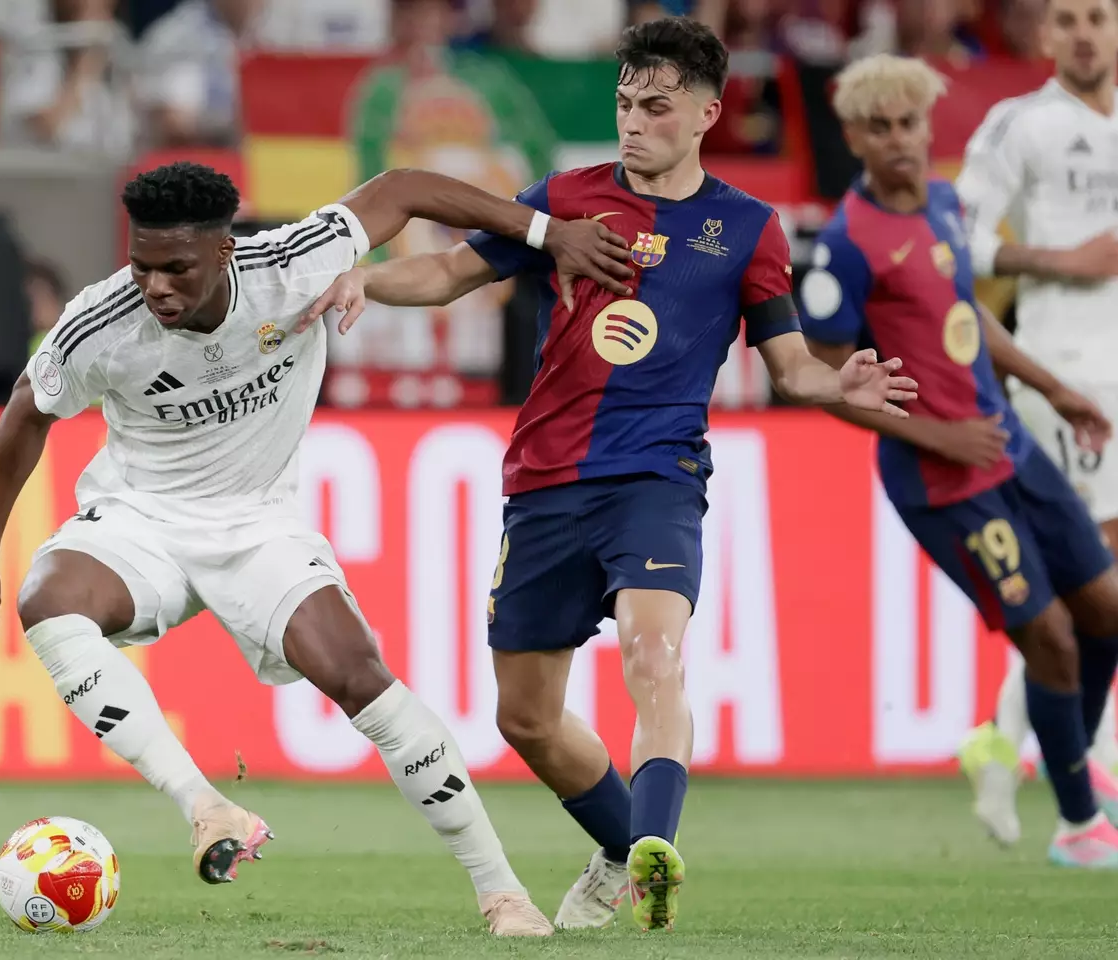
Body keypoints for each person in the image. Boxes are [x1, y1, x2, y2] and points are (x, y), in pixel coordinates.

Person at [297, 17, 918, 931]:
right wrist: (362, 278)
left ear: (707, 114)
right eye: (625, 103)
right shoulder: (564, 203)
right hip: (544, 482)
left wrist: (840, 382)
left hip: (657, 478)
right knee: (526, 718)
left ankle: (657, 845)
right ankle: (626, 849)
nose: (633, 121)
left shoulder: (747, 229)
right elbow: (448, 272)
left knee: (652, 654)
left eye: (656, 107)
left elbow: (790, 369)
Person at [0, 161, 634, 936]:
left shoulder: (294, 263)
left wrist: (546, 232)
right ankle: (206, 807)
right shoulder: (100, 323)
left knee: (360, 676)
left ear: (225, 251)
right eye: (142, 266)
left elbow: (404, 189)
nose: (156, 286)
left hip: (259, 526)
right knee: (49, 599)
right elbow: (27, 410)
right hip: (141, 519)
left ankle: (502, 893)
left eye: (177, 268)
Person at [797, 52, 1118, 868]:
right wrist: (941, 436)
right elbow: (820, 380)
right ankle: (1079, 824)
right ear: (854, 138)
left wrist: (1056, 389)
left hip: (1006, 443)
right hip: (941, 479)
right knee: (1050, 637)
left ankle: (1047, 761)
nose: (898, 139)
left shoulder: (945, 203)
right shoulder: (847, 246)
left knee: (1106, 610)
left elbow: (966, 312)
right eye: (879, 127)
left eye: (909, 123)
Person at [953, 0, 1118, 846]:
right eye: (1068, 18)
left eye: (1099, 16)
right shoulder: (1021, 125)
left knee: (1102, 587)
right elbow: (956, 237)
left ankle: (1004, 737)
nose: (1085, 32)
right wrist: (1058, 259)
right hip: (1066, 375)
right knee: (1097, 580)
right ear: (1045, 35)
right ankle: (1081, 773)